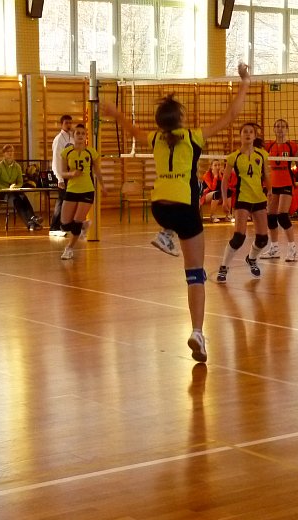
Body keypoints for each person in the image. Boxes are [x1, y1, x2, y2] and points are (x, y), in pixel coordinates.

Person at [102, 63, 251, 363]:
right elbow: (231, 116)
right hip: (185, 207)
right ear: (180, 119)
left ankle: (166, 234)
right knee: (196, 274)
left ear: (160, 123)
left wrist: (114, 112)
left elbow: (128, 126)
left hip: (159, 206)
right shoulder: (193, 137)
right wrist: (245, 82)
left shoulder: (154, 139)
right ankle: (197, 332)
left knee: (175, 223)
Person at [217, 122, 270, 283]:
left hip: (259, 198)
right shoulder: (234, 157)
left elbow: (267, 175)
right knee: (239, 237)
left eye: (250, 132)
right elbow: (225, 180)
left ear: (254, 136)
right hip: (242, 198)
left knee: (263, 239)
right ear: (240, 135)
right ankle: (224, 267)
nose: (248, 134)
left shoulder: (262, 155)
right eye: (245, 132)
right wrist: (224, 199)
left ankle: (251, 258)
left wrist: (270, 192)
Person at [59, 124, 107, 260]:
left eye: (83, 133)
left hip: (87, 190)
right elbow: (63, 172)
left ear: (86, 136)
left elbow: (97, 171)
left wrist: (103, 186)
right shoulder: (66, 152)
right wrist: (72, 174)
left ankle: (69, 249)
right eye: (78, 133)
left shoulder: (91, 152)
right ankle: (84, 225)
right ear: (73, 136)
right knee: (64, 225)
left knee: (76, 223)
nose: (80, 136)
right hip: (72, 189)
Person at [261, 119, 298, 261]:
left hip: (286, 182)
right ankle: (274, 248)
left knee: (282, 215)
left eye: (283, 126)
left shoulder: (292, 146)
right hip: (273, 184)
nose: (280, 129)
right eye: (277, 126)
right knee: (271, 216)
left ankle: (292, 249)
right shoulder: (269, 145)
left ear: (287, 129)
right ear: (274, 129)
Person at [0, 144, 42, 231]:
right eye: (8, 151)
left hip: (14, 191)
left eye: (12, 151)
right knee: (17, 200)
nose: (10, 153)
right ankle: (29, 223)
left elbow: (20, 182)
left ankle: (33, 219)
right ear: (3, 154)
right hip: (2, 193)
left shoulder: (17, 166)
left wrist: (15, 187)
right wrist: (7, 189)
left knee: (24, 198)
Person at [49, 114, 74, 237]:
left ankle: (65, 225)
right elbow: (56, 160)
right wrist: (60, 178)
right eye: (66, 123)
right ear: (61, 124)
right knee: (62, 200)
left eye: (70, 123)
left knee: (69, 200)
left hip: (70, 173)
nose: (68, 125)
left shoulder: (72, 138)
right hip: (62, 173)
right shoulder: (59, 139)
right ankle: (54, 227)